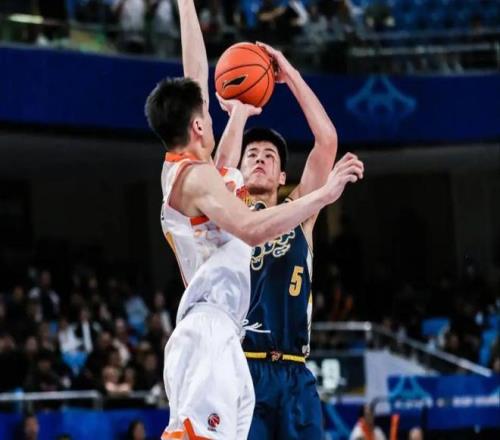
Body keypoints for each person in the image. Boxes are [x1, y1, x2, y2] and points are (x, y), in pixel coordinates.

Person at [145, 2, 364, 438]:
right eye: (206, 115)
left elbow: (195, 73)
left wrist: (186, 5)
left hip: (241, 343)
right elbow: (250, 227)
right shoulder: (202, 180)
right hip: (214, 332)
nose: (211, 114)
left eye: (269, 156)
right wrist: (325, 194)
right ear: (198, 127)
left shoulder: (208, 174)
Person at [214, 41, 361, 439]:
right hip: (243, 368)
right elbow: (219, 169)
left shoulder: (301, 211)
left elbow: (326, 141)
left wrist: (289, 74)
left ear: (282, 177)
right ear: (241, 170)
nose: (260, 158)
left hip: (295, 371)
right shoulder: (227, 214)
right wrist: (239, 114)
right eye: (252, 154)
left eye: (269, 155)